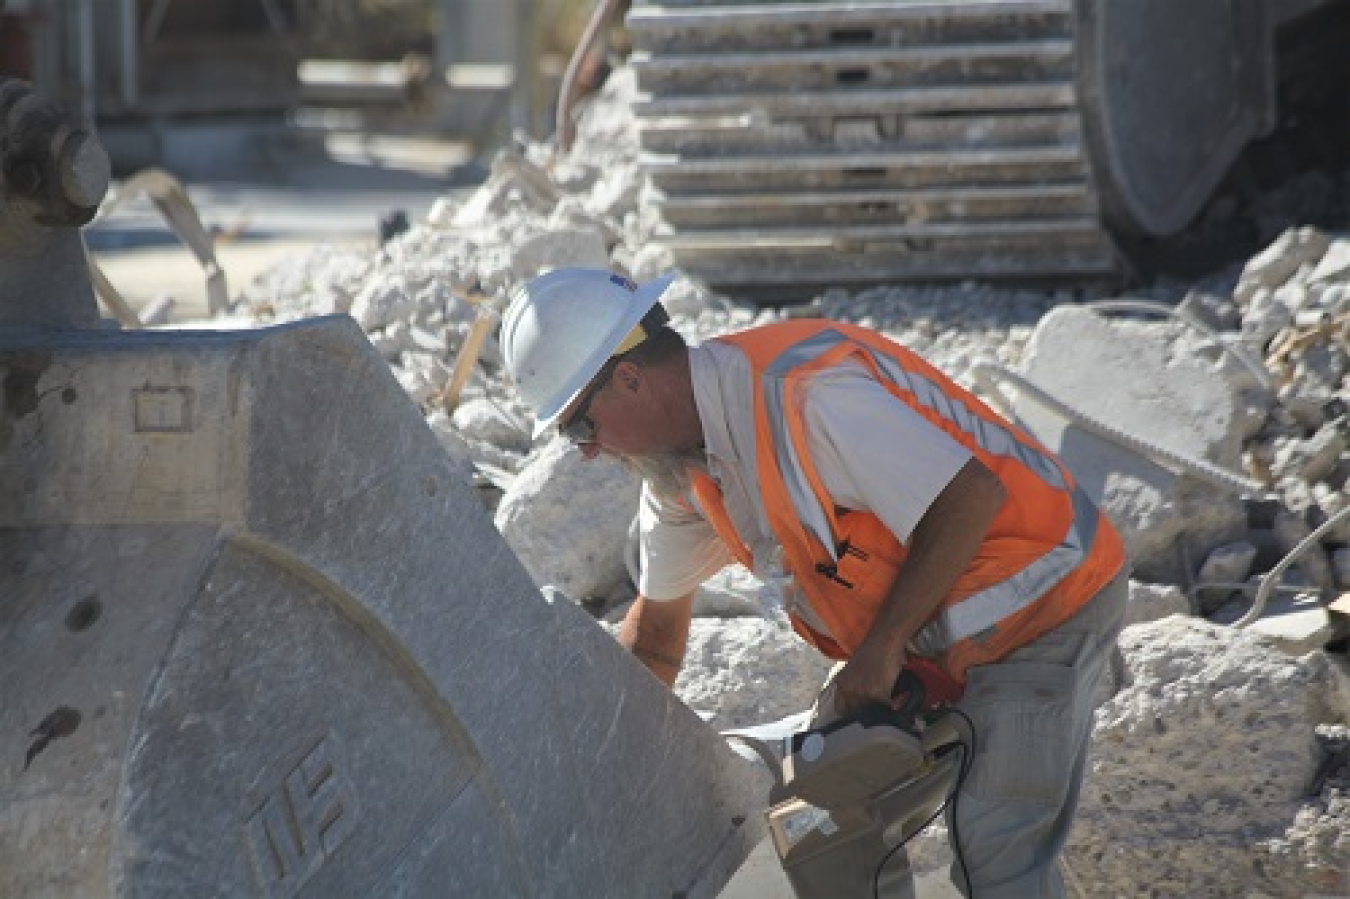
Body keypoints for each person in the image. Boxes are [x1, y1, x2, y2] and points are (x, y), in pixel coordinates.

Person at [501, 267, 1129, 898]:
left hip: (1045, 602)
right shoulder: (683, 474)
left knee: (996, 846)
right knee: (818, 825)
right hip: (934, 643)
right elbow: (657, 637)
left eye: (579, 427)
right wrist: (595, 771)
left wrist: (880, 654)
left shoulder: (805, 397)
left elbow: (969, 497)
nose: (585, 451)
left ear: (631, 379)